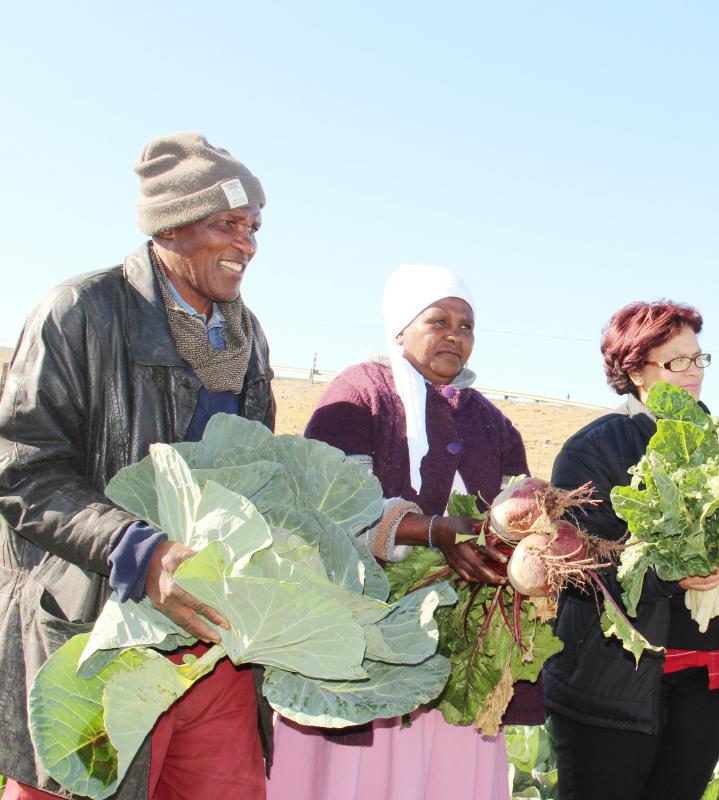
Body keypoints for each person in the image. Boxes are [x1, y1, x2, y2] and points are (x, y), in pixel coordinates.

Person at [0, 133, 274, 799]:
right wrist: (138, 549)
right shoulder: (80, 313)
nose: (247, 244)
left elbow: (261, 480)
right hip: (94, 635)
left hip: (210, 647)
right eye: (228, 224)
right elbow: (21, 469)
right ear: (171, 227)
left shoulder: (248, 339)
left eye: (254, 227)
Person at [266, 264, 538, 800]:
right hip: (373, 639)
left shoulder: (492, 421)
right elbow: (327, 510)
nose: (455, 335)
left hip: (464, 646)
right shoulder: (360, 393)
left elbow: (518, 510)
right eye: (438, 320)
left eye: (466, 325)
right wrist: (428, 531)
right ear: (400, 329)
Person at [544, 300, 719, 800]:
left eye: (699, 359)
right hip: (613, 678)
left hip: (706, 671)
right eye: (676, 362)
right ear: (634, 371)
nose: (693, 374)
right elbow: (578, 562)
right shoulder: (593, 449)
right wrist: (670, 572)